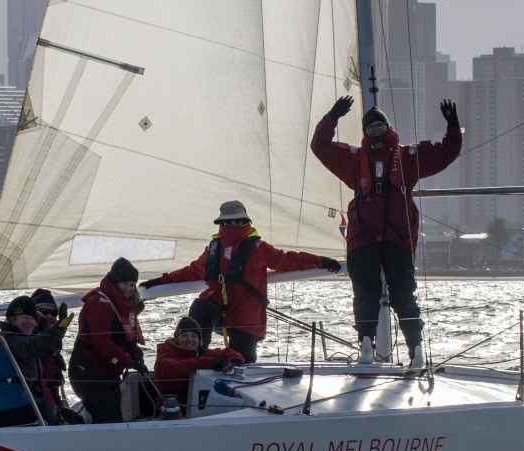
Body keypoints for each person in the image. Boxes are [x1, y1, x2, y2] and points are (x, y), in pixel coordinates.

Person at [311, 95, 462, 367]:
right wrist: (332, 116)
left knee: (387, 294)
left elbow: (447, 152)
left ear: (387, 128)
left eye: (379, 126)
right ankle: (394, 347)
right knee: (388, 294)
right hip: (382, 239)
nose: (376, 131)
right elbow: (320, 146)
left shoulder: (397, 157)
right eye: (372, 127)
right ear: (367, 132)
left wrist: (452, 126)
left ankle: (405, 348)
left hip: (380, 239)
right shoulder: (399, 157)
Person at [140, 201, 341, 363]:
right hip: (218, 306)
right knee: (200, 306)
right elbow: (194, 271)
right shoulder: (213, 248)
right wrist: (160, 281)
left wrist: (321, 262)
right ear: (221, 224)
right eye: (228, 222)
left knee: (243, 362)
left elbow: (287, 260)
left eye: (237, 221)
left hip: (246, 313)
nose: (233, 226)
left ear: (245, 221)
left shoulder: (258, 247)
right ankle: (197, 358)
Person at [69, 257, 147, 424]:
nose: (129, 288)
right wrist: (128, 361)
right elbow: (101, 342)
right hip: (88, 373)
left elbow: (129, 339)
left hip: (107, 372)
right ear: (114, 282)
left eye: (132, 284)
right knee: (110, 418)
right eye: (124, 283)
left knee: (113, 415)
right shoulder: (100, 303)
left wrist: (136, 355)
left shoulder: (125, 306)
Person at [0, 295, 64, 427]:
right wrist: (57, 330)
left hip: (5, 408)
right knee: (51, 418)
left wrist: (48, 326)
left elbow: (40, 344)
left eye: (32, 318)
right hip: (7, 411)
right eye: (25, 318)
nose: (30, 322)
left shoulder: (6, 338)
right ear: (12, 320)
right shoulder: (9, 339)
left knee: (51, 412)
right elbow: (33, 346)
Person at [153, 316, 244, 415]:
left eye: (194, 336)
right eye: (184, 335)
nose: (189, 339)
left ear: (199, 340)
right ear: (176, 338)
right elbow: (174, 367)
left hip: (198, 406)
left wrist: (232, 361)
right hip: (171, 411)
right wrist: (211, 363)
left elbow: (230, 352)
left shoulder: (199, 352)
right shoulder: (165, 354)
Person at [29, 288, 83, 425]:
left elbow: (49, 342)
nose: (50, 316)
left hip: (52, 395)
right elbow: (42, 344)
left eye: (53, 313)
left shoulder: (51, 337)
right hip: (37, 401)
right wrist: (58, 330)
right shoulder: (29, 337)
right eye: (44, 312)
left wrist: (60, 330)